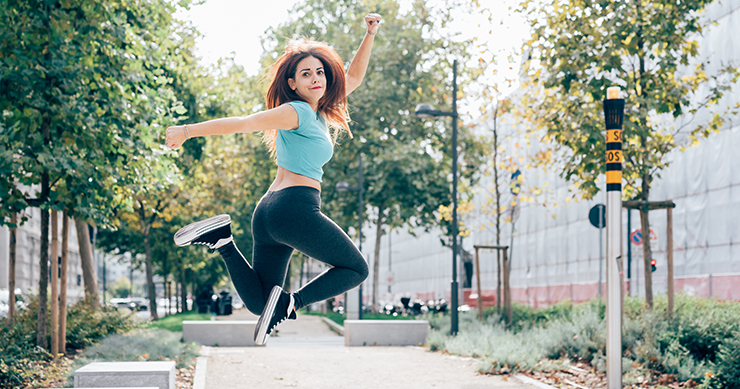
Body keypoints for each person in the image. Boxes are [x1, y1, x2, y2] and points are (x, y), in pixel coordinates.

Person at [165, 14, 381, 345]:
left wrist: (370, 34)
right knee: (356, 270)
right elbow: (242, 122)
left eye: (319, 72)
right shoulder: (297, 112)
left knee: (258, 303)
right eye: (305, 73)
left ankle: (223, 240)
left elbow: (353, 76)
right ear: (292, 83)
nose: (315, 78)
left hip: (270, 213)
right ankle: (292, 302)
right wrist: (187, 131)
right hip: (294, 209)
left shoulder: (319, 111)